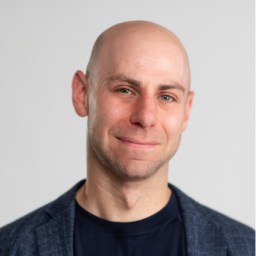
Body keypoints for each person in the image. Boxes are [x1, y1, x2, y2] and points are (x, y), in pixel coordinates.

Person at [0, 20, 254, 256]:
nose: (145, 117)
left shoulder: (245, 247)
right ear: (82, 94)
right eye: (125, 90)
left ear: (186, 110)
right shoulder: (10, 247)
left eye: (166, 97)